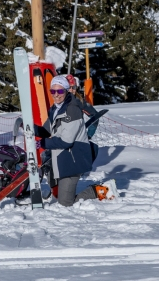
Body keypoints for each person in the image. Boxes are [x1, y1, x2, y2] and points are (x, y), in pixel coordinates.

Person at [35, 76, 112, 206]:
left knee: (65, 203)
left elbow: (66, 141)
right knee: (52, 174)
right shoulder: (55, 109)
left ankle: (103, 190)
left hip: (73, 157)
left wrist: (87, 136)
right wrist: (31, 128)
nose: (56, 95)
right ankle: (59, 192)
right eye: (53, 91)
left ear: (68, 90)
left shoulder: (73, 108)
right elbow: (47, 131)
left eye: (60, 91)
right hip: (63, 156)